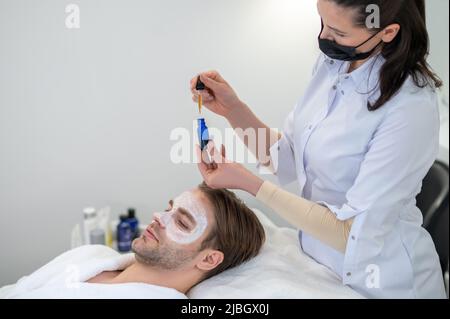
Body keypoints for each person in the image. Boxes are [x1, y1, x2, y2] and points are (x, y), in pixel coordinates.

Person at [191, 0, 446, 298]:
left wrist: (248, 183)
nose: (324, 37)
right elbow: (286, 159)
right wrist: (233, 109)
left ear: (387, 31)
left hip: (382, 280)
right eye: (321, 22)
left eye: (338, 32)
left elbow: (350, 233)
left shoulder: (410, 107)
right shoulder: (332, 67)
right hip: (319, 265)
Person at [0, 183, 265, 299]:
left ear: (208, 258)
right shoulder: (90, 255)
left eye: (182, 222)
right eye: (168, 208)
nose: (158, 217)